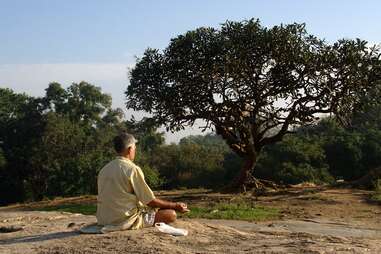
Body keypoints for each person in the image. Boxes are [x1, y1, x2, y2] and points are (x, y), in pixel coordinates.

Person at [96, 132, 189, 232]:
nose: (135, 151)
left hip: (104, 219)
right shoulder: (132, 169)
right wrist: (175, 206)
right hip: (124, 220)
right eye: (134, 148)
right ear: (130, 149)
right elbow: (149, 201)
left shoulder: (104, 169)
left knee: (157, 209)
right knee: (171, 214)